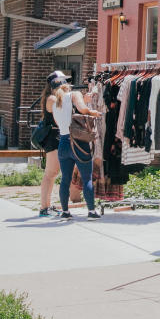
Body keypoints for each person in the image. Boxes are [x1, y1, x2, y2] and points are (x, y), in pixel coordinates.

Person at [47, 70, 103, 219]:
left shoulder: (52, 100)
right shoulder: (74, 95)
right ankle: (91, 211)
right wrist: (93, 111)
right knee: (86, 178)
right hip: (79, 143)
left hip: (63, 143)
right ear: (67, 84)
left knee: (65, 179)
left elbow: (59, 122)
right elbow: (83, 109)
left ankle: (65, 212)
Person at [37, 73, 64, 217]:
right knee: (50, 173)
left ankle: (47, 205)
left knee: (52, 174)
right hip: (52, 138)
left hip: (55, 137)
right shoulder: (52, 98)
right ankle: (44, 207)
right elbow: (59, 117)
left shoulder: (52, 97)